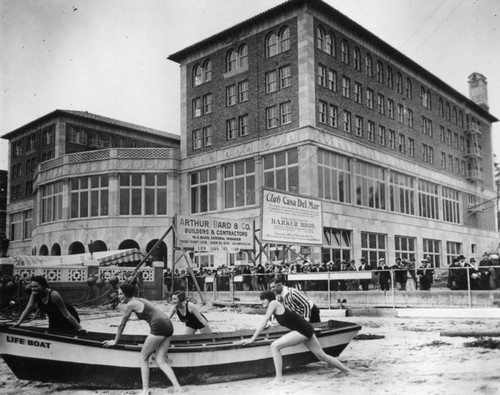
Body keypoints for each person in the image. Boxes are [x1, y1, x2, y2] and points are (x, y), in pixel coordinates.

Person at [241, 291, 351, 383]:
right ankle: (347, 371)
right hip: (306, 329)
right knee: (321, 356)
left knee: (274, 346)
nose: (261, 302)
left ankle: (278, 379)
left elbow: (264, 321)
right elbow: (271, 322)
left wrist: (252, 339)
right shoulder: (275, 307)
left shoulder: (273, 303)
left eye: (263, 300)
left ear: (268, 299)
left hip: (302, 330)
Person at [103, 283, 181, 394]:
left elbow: (121, 324)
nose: (118, 296)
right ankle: (178, 387)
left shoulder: (131, 304)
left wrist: (115, 341)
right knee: (160, 360)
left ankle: (145, 390)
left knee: (143, 357)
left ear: (126, 294)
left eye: (120, 294)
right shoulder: (140, 299)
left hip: (158, 326)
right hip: (168, 325)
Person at [13, 275, 84, 333]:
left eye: (36, 287)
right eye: (32, 287)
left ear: (43, 286)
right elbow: (28, 309)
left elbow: (66, 314)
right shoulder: (34, 293)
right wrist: (19, 322)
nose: (33, 289)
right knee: (52, 332)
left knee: (66, 333)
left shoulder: (54, 295)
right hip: (53, 317)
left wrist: (79, 328)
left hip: (67, 317)